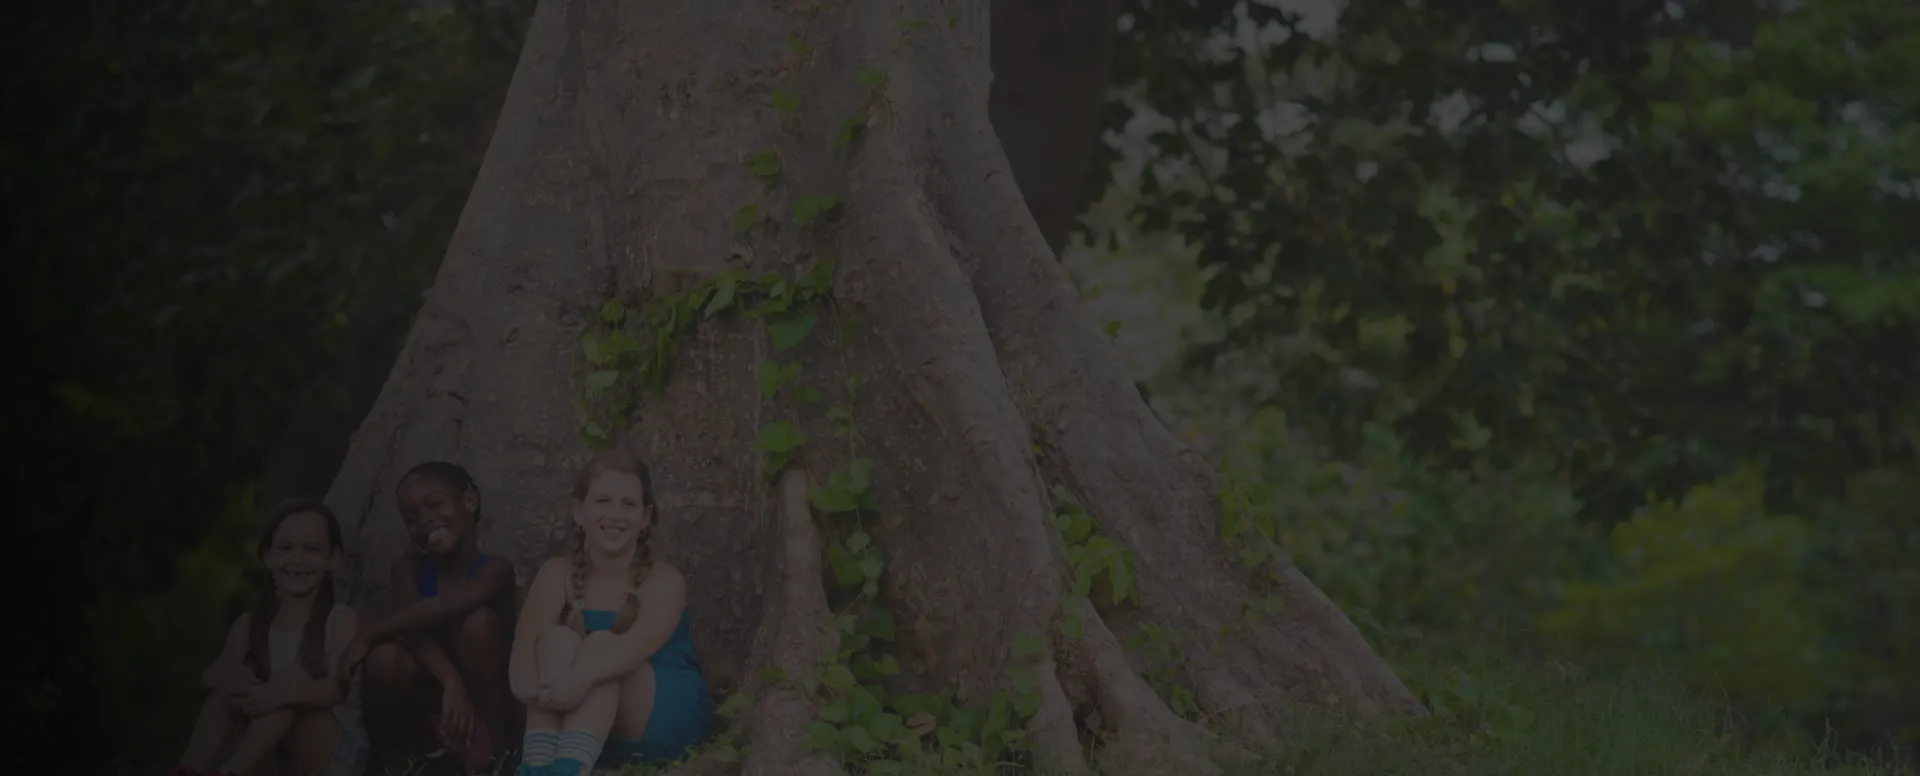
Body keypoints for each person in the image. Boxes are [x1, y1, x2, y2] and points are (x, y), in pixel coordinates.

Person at [508, 448, 712, 775]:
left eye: (628, 504)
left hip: (658, 715)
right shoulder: (555, 573)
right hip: (582, 715)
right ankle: (538, 764)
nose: (615, 514)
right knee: (556, 640)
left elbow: (638, 646)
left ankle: (568, 770)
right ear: (579, 511)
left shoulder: (664, 580)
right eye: (603, 501)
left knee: (602, 646)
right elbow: (524, 651)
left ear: (645, 518)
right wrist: (539, 694)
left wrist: (577, 679)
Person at [337, 462, 518, 772]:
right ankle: (417, 759)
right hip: (439, 703)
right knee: (385, 658)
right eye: (412, 517)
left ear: (470, 501)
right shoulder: (408, 567)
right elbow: (415, 631)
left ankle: (500, 759)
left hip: (490, 710)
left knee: (478, 624)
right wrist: (451, 682)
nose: (425, 520)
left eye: (434, 504)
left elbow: (443, 607)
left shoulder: (495, 570)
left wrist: (368, 635)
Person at [173, 499, 369, 776]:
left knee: (288, 682)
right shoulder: (250, 624)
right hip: (268, 754)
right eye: (286, 548)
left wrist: (282, 691)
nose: (297, 559)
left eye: (312, 549)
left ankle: (230, 772)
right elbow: (212, 675)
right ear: (268, 555)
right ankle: (188, 770)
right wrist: (238, 683)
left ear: (333, 558)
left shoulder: (339, 619)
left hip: (326, 754)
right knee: (226, 691)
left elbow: (338, 688)